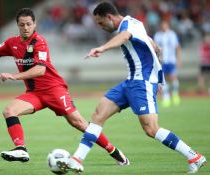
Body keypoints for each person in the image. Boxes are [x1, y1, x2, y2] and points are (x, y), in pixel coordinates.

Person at [0, 8, 129, 165]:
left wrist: (14, 76)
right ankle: (21, 149)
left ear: (34, 24)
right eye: (22, 25)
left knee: (80, 124)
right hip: (34, 94)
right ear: (17, 25)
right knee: (9, 111)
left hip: (54, 90)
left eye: (28, 24)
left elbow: (39, 70)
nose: (25, 28)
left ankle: (114, 151)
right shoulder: (12, 43)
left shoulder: (39, 42)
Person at [56, 1, 206, 174]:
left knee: (151, 129)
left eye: (101, 23)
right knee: (98, 114)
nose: (100, 27)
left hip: (142, 83)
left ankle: (194, 156)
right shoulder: (136, 23)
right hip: (130, 82)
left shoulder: (127, 27)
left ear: (109, 17)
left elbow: (125, 36)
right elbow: (155, 47)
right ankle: (77, 160)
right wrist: (158, 77)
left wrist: (102, 48)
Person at [154, 21, 181, 107]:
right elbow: (155, 48)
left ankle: (175, 94)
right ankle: (166, 97)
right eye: (162, 25)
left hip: (171, 60)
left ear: (168, 25)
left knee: (173, 77)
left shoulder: (172, 35)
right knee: (163, 79)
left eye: (165, 25)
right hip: (162, 61)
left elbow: (177, 47)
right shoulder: (157, 35)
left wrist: (178, 60)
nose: (164, 27)